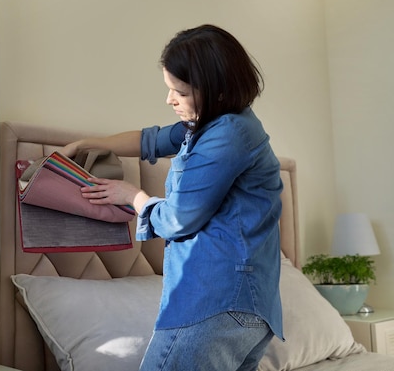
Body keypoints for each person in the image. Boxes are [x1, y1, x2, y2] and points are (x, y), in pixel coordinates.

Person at [61, 24, 284, 371]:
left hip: (214, 303)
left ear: (215, 90)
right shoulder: (219, 122)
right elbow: (152, 140)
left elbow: (178, 219)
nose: (170, 100)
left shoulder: (227, 136)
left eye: (179, 91)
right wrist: (94, 144)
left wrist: (132, 196)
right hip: (249, 308)